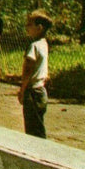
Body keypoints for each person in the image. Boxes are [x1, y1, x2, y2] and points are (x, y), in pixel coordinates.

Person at [18, 9, 53, 138]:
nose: (27, 27)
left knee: (32, 128)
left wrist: (22, 89)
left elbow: (28, 69)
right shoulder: (44, 44)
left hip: (32, 91)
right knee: (38, 124)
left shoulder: (33, 46)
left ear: (39, 28)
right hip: (40, 90)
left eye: (30, 24)